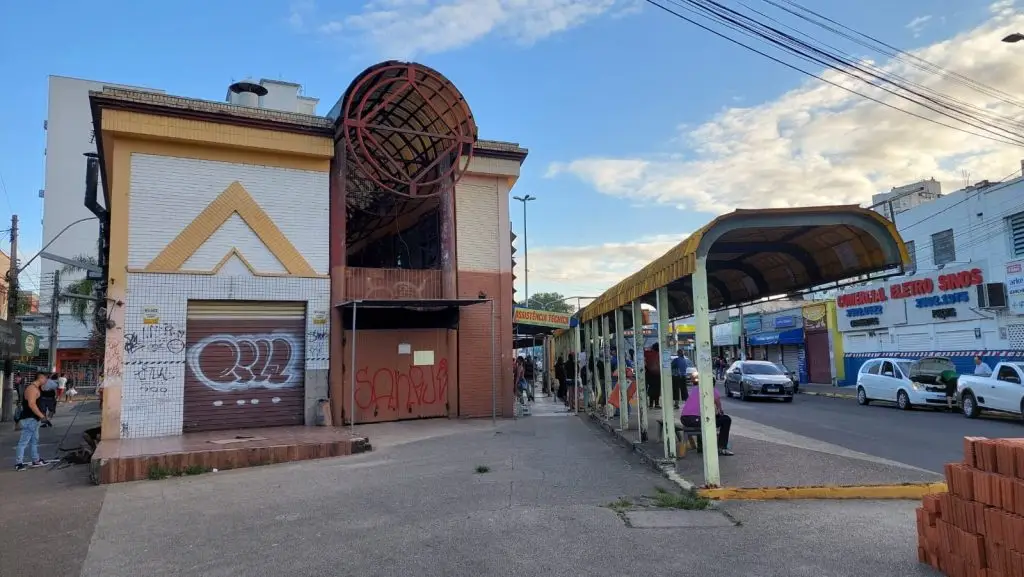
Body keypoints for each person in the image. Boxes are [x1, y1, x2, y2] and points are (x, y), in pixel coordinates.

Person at [679, 376, 734, 456]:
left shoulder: (695, 389)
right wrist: (719, 413)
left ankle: (701, 447)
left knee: (703, 420)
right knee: (726, 420)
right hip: (696, 419)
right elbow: (720, 410)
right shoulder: (712, 390)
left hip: (684, 419)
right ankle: (722, 448)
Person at [15, 372, 54, 470]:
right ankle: (18, 463)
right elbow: (32, 404)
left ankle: (35, 459)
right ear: (40, 378)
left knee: (34, 441)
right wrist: (42, 416)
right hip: (30, 419)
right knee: (23, 442)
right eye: (45, 378)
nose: (46, 381)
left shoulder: (36, 388)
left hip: (34, 419)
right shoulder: (32, 389)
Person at [645, 343, 662, 409]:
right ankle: (657, 404)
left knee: (651, 389)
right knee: (657, 389)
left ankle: (651, 404)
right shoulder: (658, 354)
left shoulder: (648, 354)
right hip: (657, 374)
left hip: (649, 374)